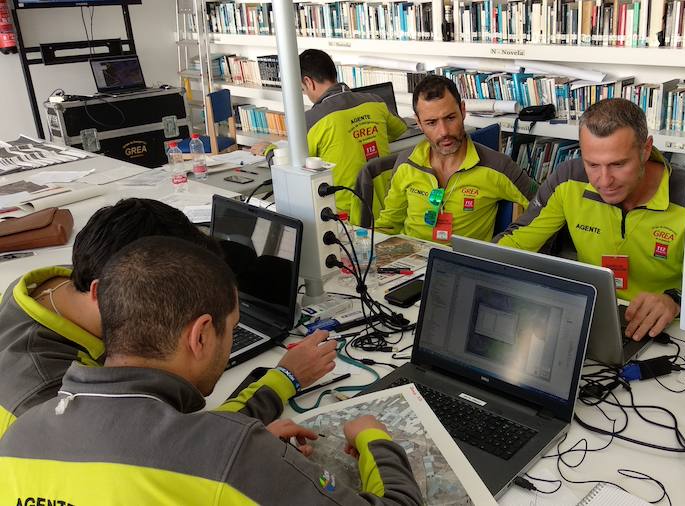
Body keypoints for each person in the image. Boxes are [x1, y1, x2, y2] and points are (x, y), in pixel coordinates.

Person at [0, 236, 421, 504]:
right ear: (201, 335)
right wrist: (372, 438)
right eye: (231, 329)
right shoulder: (230, 455)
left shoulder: (20, 436)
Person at [0, 198, 337, 439]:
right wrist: (284, 380)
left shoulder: (48, 288)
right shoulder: (46, 396)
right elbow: (170, 445)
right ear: (106, 293)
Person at [496, 98, 685, 342]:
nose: (604, 181)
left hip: (671, 332)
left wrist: (674, 300)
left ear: (646, 149)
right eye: (592, 164)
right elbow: (515, 243)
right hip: (588, 319)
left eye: (618, 164)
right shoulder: (568, 178)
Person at [375, 75, 536, 243]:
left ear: (463, 110)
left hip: (464, 266)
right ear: (419, 123)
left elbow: (545, 206)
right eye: (431, 123)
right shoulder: (406, 164)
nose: (444, 131)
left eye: (450, 118)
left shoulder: (498, 166)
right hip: (411, 264)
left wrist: (504, 245)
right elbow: (388, 225)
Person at [251, 49, 408, 217]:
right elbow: (400, 129)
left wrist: (267, 149)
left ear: (308, 82)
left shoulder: (310, 120)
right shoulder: (375, 101)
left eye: (303, 88)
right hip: (386, 207)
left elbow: (288, 166)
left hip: (344, 215)